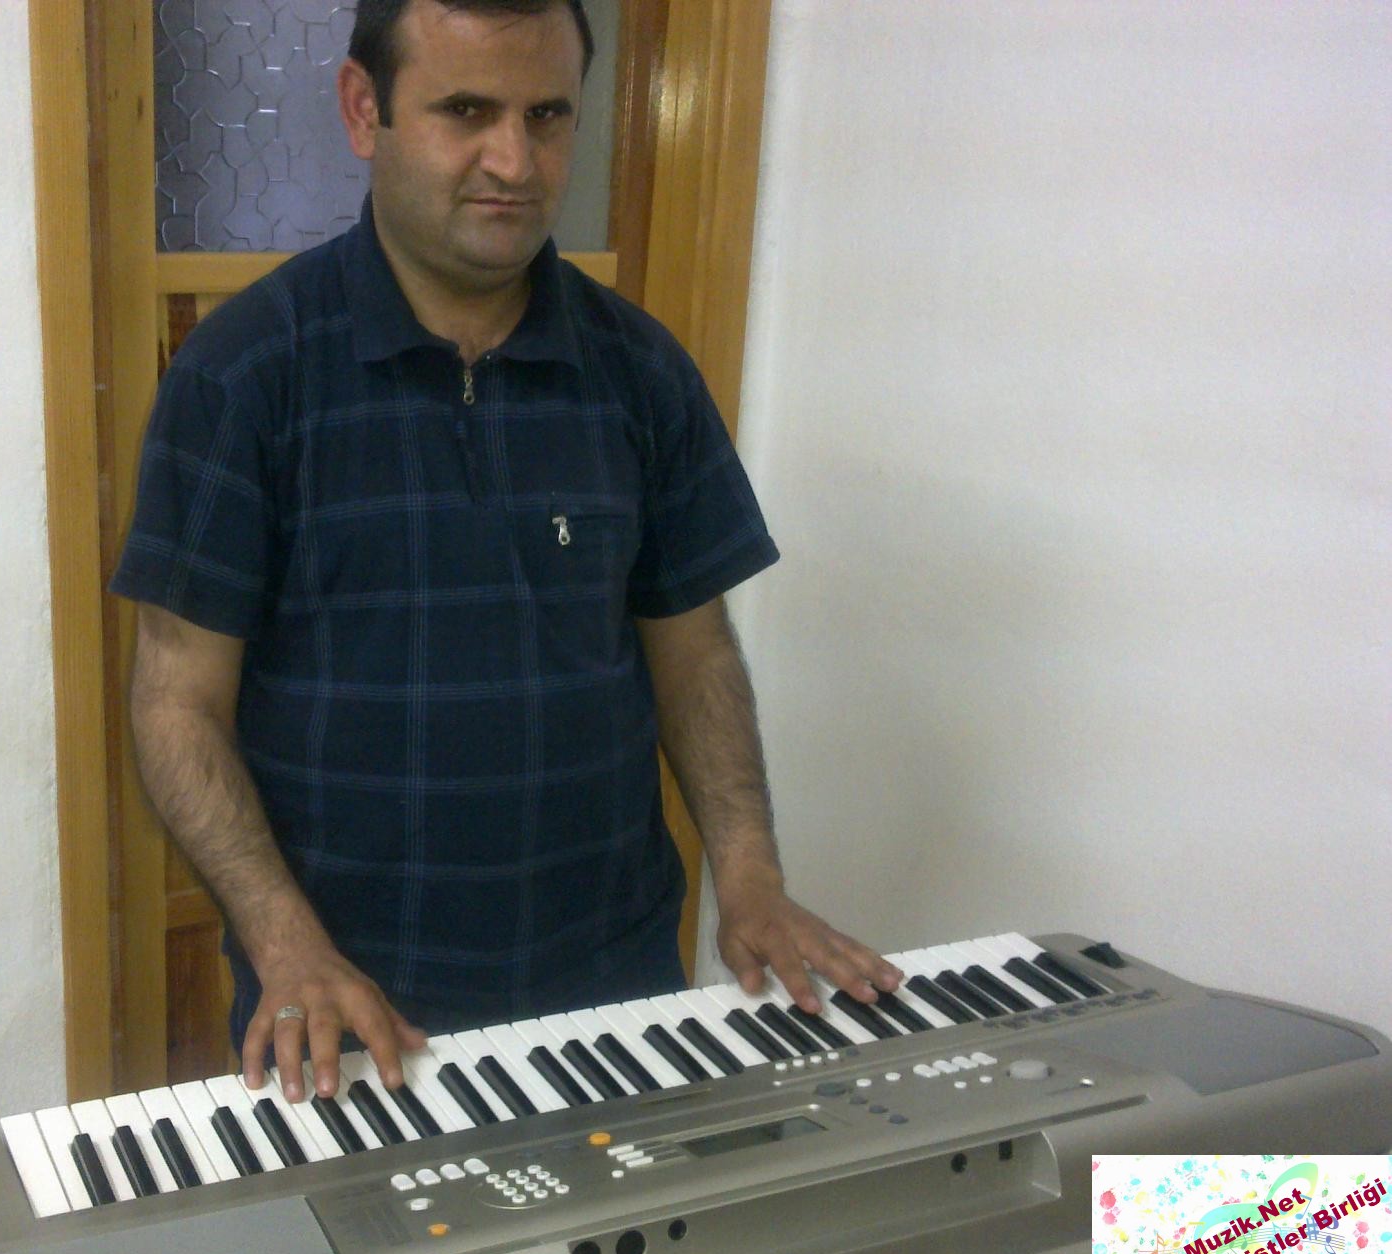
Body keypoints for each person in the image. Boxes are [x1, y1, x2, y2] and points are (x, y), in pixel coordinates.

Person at [110, 0, 901, 1108]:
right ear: (363, 110)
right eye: (466, 112)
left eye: (547, 116)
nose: (515, 163)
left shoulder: (642, 372)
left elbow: (693, 655)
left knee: (628, 1225)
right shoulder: (242, 376)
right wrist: (286, 945)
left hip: (614, 994)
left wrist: (750, 878)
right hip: (350, 1010)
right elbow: (174, 701)